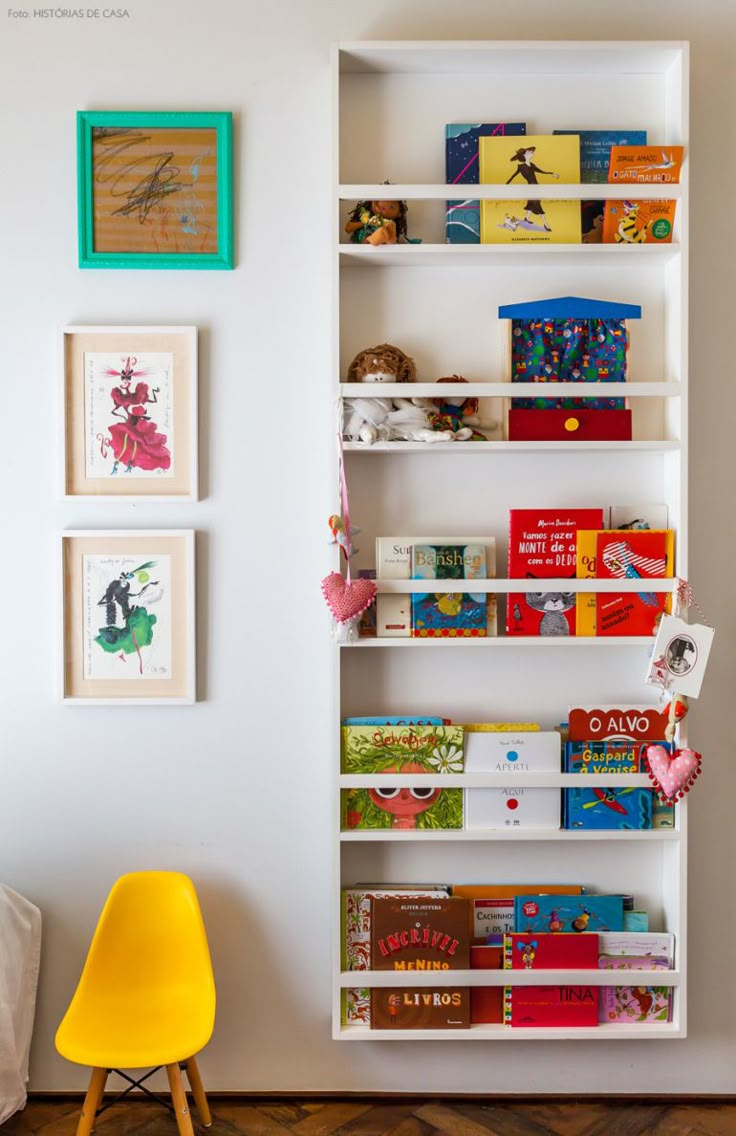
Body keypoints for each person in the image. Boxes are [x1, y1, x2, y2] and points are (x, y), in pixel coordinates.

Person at [506, 146, 560, 231]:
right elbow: (513, 176)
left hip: (536, 188)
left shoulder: (532, 165)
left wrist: (552, 173)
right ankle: (546, 225)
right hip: (531, 190)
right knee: (538, 206)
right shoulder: (521, 167)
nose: (532, 153)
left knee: (532, 204)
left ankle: (526, 218)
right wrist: (505, 186)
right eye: (529, 152)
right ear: (524, 155)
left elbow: (541, 171)